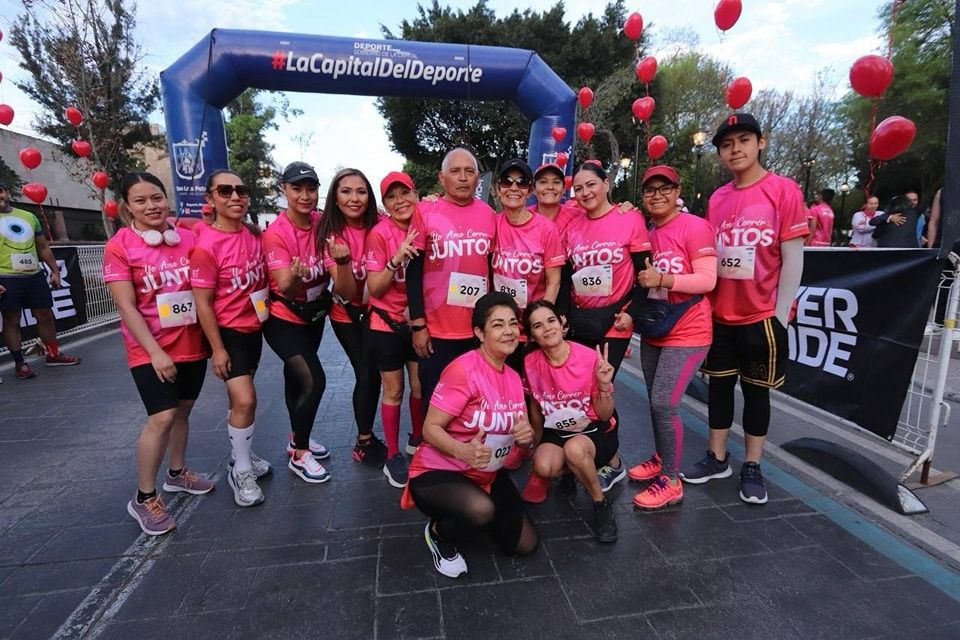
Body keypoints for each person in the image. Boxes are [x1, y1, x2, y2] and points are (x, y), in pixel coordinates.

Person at [687, 113, 807, 505]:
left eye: (743, 140)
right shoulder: (718, 198)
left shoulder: (784, 190)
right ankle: (717, 457)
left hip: (761, 316)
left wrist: (780, 314)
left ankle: (752, 465)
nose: (735, 149)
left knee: (757, 394)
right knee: (719, 388)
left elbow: (793, 258)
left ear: (761, 142)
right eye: (726, 144)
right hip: (720, 314)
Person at [104, 172, 213, 535]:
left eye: (157, 197)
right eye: (140, 200)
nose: (151, 206)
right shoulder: (119, 246)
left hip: (191, 343)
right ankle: (144, 496)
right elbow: (126, 305)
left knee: (183, 410)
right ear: (127, 206)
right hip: (149, 349)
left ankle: (177, 474)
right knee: (162, 417)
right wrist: (154, 352)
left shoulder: (188, 238)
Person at [402, 292, 537, 578]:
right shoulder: (463, 369)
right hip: (439, 470)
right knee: (481, 510)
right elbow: (429, 429)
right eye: (498, 324)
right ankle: (438, 532)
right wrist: (462, 450)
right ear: (479, 332)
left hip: (486, 472)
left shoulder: (514, 378)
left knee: (525, 544)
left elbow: (519, 439)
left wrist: (526, 439)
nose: (509, 331)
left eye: (513, 323)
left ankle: (475, 515)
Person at [561, 161, 651, 493]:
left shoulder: (629, 218)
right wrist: (564, 316)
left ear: (606, 183)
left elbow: (644, 274)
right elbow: (567, 277)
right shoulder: (572, 225)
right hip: (582, 322)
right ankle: (579, 457)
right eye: (579, 188)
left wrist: (633, 314)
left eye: (591, 185)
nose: (585, 192)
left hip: (615, 321)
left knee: (601, 391)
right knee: (577, 392)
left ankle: (612, 463)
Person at [630, 165, 717, 510]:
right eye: (650, 190)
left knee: (665, 404)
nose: (657, 195)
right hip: (656, 327)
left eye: (664, 188)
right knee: (655, 400)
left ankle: (671, 479)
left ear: (677, 191)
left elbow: (708, 279)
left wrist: (664, 279)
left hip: (690, 330)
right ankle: (661, 457)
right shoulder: (647, 231)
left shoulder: (695, 227)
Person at [191, 169, 271, 508]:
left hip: (254, 328)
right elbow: (202, 303)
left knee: (238, 402)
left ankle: (242, 455)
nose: (235, 196)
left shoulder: (253, 235)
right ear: (210, 198)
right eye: (225, 191)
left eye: (241, 190)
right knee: (246, 400)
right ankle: (241, 471)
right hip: (228, 331)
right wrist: (218, 349)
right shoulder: (206, 246)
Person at [406, 147, 497, 447]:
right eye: (455, 171)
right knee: (436, 397)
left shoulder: (489, 215)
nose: (463, 177)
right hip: (437, 330)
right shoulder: (425, 211)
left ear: (477, 178)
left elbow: (492, 268)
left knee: (474, 398)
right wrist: (418, 324)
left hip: (477, 331)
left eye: (469, 172)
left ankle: (471, 454)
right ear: (441, 177)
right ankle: (432, 456)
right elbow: (413, 270)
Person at [522, 300, 618, 542]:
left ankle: (600, 503)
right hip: (558, 432)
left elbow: (605, 415)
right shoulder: (530, 362)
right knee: (543, 466)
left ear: (562, 323)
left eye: (551, 320)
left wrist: (604, 385)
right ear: (531, 335)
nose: (547, 328)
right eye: (538, 325)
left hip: (595, 431)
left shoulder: (589, 357)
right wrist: (535, 446)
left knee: (575, 450)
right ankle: (574, 471)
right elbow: (536, 408)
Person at [262, 162, 331, 484]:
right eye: (297, 188)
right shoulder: (276, 233)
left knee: (296, 380)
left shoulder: (321, 222)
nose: (305, 196)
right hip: (283, 319)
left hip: (312, 315)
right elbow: (285, 286)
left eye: (311, 189)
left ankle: (296, 437)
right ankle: (301, 455)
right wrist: (294, 276)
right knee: (314, 380)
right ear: (284, 190)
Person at [318, 168, 386, 466]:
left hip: (378, 312)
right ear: (335, 197)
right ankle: (364, 440)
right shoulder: (330, 234)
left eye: (361, 191)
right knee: (367, 372)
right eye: (346, 191)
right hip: (346, 314)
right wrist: (343, 261)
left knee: (374, 374)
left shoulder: (381, 224)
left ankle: (367, 436)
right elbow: (345, 290)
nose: (354, 198)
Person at [365, 171, 423, 488]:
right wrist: (395, 259)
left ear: (416, 195)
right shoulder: (379, 234)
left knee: (419, 385)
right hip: (385, 323)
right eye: (392, 196)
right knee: (394, 390)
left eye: (405, 193)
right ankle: (392, 454)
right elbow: (374, 288)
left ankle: (418, 439)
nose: (400, 201)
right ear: (385, 204)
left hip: (417, 323)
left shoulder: (426, 226)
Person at [490, 158, 565, 371]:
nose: (514, 188)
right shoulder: (491, 223)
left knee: (533, 387)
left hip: (531, 329)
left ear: (530, 190)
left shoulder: (546, 228)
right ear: (498, 188)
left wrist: (539, 323)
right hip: (500, 329)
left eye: (522, 182)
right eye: (507, 181)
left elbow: (553, 282)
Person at [0, 182, 80, 379]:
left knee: (45, 314)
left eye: (0, 192)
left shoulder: (29, 217)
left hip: (34, 275)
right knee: (12, 319)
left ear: (7, 192)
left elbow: (43, 247)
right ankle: (20, 363)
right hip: (6, 277)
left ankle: (53, 354)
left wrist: (55, 271)